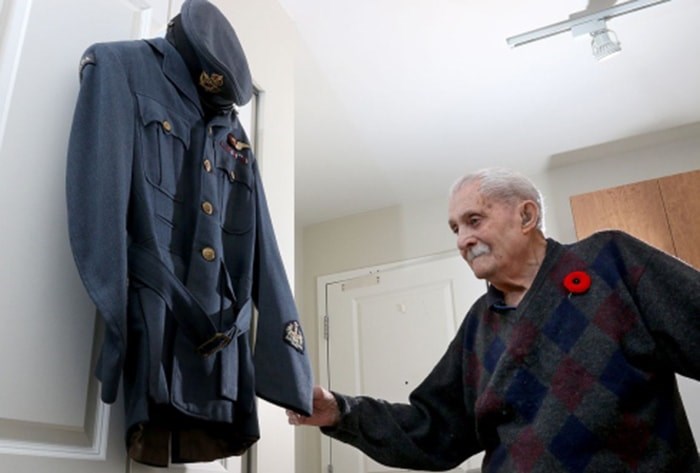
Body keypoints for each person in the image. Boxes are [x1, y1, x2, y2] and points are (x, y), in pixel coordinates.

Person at [287, 168, 700, 472]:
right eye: (455, 228)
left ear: (526, 216)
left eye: (473, 220)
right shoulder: (478, 327)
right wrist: (340, 412)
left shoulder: (610, 261)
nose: (461, 240)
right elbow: (433, 429)